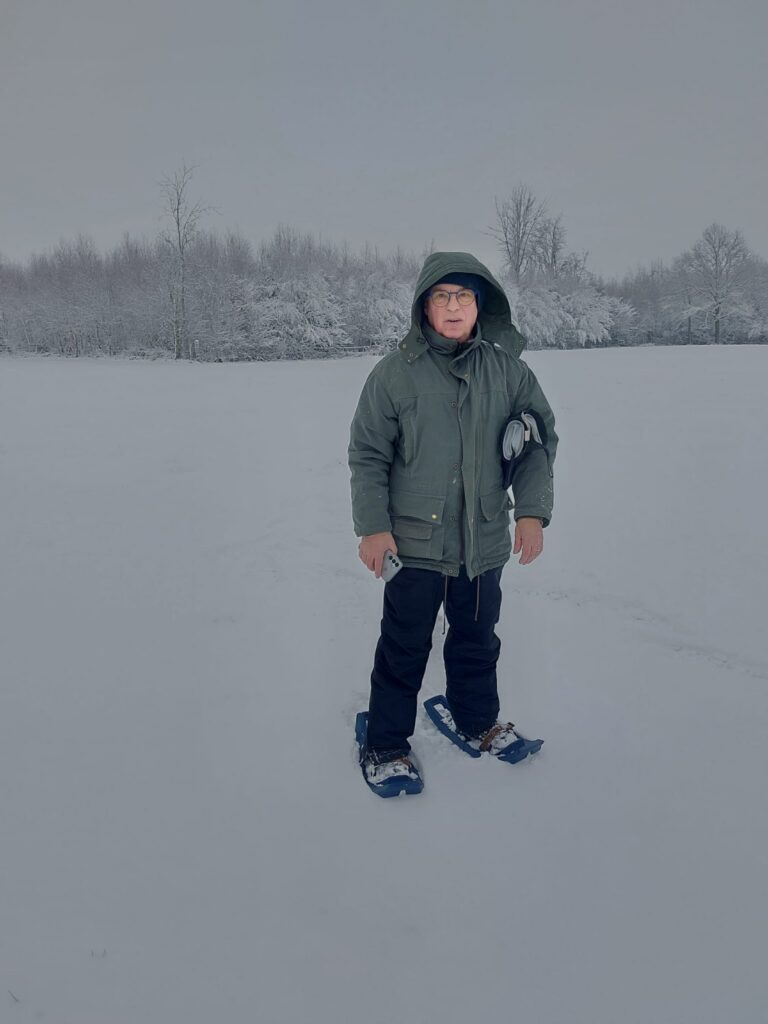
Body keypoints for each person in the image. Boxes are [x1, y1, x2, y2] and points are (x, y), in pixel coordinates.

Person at [348, 251, 558, 796]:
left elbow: (536, 445)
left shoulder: (509, 372)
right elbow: (368, 454)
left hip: (482, 540)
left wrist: (531, 512)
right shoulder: (394, 374)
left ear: (480, 305)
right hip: (413, 543)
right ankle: (386, 743)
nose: (453, 306)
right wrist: (373, 527)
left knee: (477, 639)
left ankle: (476, 720)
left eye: (464, 296)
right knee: (404, 645)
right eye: (441, 296)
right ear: (424, 306)